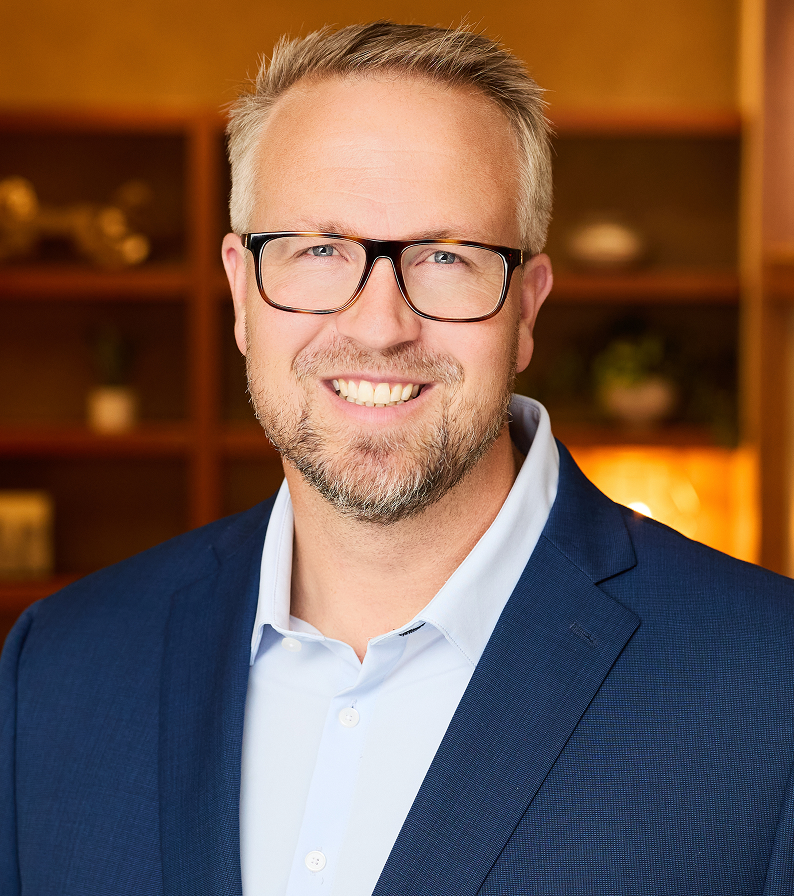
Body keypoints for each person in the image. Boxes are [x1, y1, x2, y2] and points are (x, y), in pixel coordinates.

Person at [2, 21, 794, 896]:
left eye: (446, 257)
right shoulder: (59, 666)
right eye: (319, 251)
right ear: (239, 292)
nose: (380, 326)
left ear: (527, 310)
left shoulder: (771, 682)